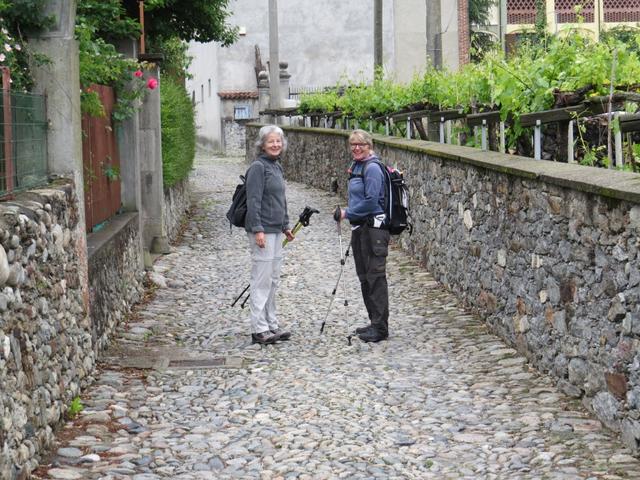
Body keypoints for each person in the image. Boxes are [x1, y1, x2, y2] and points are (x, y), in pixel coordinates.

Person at [334, 130, 390, 343]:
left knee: (375, 277)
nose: (356, 148)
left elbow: (371, 201)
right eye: (353, 145)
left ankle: (380, 328)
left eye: (361, 144)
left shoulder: (372, 168)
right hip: (360, 228)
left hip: (374, 230)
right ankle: (374, 322)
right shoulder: (357, 166)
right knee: (365, 277)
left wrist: (347, 213)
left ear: (369, 146)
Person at [245, 125, 294, 345]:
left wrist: (286, 225)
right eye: (271, 141)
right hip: (263, 231)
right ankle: (259, 329)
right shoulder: (258, 167)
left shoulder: (276, 166)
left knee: (273, 280)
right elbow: (253, 200)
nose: (275, 145)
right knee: (262, 280)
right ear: (262, 145)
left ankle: (271, 323)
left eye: (278, 141)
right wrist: (258, 229)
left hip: (275, 230)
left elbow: (280, 199)